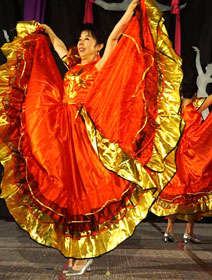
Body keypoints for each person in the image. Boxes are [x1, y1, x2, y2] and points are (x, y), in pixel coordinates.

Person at [0, 0, 182, 276]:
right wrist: (47, 30)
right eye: (80, 39)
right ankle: (74, 253)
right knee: (65, 194)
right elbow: (61, 47)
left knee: (84, 197)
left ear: (97, 48)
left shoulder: (98, 66)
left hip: (85, 138)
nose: (81, 43)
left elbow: (113, 38)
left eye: (87, 39)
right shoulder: (72, 67)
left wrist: (130, 13)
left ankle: (84, 254)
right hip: (61, 134)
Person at [151, 71, 212, 243]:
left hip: (176, 158)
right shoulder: (196, 106)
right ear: (195, 93)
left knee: (176, 193)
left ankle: (169, 230)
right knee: (195, 194)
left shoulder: (173, 108)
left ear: (181, 93)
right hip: (194, 157)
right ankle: (188, 232)